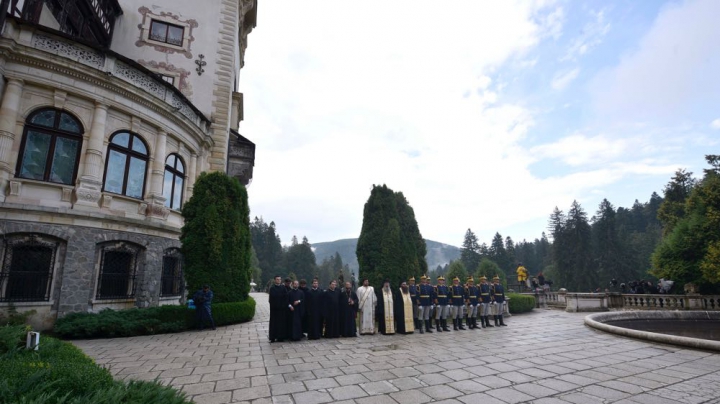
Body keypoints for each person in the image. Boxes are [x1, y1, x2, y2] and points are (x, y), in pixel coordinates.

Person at [268, 276, 289, 342]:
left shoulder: (283, 288)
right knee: (274, 323)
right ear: (275, 280)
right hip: (274, 309)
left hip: (281, 309)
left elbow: (286, 297)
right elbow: (271, 299)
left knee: (281, 323)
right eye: (277, 279)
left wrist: (283, 305)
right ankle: (273, 337)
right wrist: (274, 306)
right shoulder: (272, 288)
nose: (278, 280)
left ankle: (281, 337)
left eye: (280, 279)